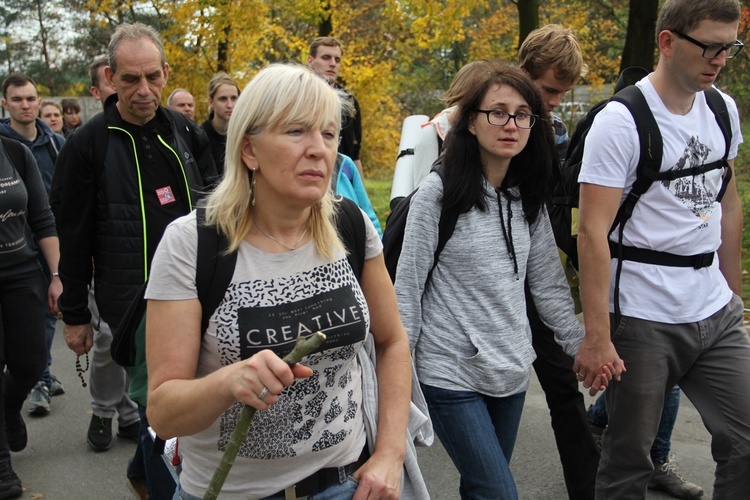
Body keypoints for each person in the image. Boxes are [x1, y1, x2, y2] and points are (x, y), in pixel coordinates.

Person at [145, 62, 427, 500]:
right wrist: (229, 382)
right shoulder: (191, 243)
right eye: (297, 131)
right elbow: (163, 413)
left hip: (345, 484)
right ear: (249, 150)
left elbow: (392, 342)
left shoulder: (350, 225)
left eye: (329, 134)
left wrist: (389, 454)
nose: (319, 149)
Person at [396, 27, 601, 499]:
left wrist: (583, 347)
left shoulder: (525, 195)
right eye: (498, 114)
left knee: (481, 489)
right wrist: (398, 380)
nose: (511, 125)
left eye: (523, 116)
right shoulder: (438, 194)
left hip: (510, 372)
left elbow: (549, 284)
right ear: (470, 122)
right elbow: (406, 288)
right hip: (449, 372)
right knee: (498, 493)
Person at [575, 0, 750, 498]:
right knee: (631, 459)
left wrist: (732, 297)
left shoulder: (721, 108)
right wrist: (598, 336)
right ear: (668, 42)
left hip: (713, 310)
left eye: (730, 47)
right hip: (642, 316)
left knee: (746, 442)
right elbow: (592, 232)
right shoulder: (621, 121)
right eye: (709, 46)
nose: (719, 58)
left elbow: (728, 205)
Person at [54, 22, 216, 499]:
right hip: (134, 304)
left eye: (152, 76)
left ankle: (143, 471)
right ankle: (164, 486)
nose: (143, 90)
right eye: (130, 79)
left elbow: (213, 209)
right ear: (110, 76)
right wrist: (76, 315)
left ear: (166, 72)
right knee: (160, 407)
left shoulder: (187, 133)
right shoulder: (89, 143)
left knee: (185, 407)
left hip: (197, 292)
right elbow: (74, 235)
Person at [1, 74, 66, 417]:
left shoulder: (54, 143)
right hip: (17, 246)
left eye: (30, 98)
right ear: (5, 104)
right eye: (17, 100)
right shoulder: (6, 144)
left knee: (49, 314)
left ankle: (38, 372)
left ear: (38, 101)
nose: (25, 105)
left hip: (49, 241)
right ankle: (37, 381)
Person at [0, 136, 62, 498]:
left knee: (31, 362)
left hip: (23, 273)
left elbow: (41, 216)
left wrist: (56, 276)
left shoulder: (14, 153)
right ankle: (2, 465)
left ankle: (9, 405)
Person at [308, 36, 364, 179]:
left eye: (337, 60)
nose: (332, 64)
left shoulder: (349, 102)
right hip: (309, 177)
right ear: (311, 61)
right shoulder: (298, 99)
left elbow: (355, 155)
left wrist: (361, 197)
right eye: (326, 57)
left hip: (342, 182)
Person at [333, 153, 382, 236]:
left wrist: (379, 241)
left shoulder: (345, 164)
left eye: (329, 138)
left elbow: (367, 213)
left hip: (354, 245)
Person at [200, 73, 239, 175]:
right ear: (211, 102)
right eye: (223, 99)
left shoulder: (245, 134)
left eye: (234, 98)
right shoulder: (199, 136)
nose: (230, 105)